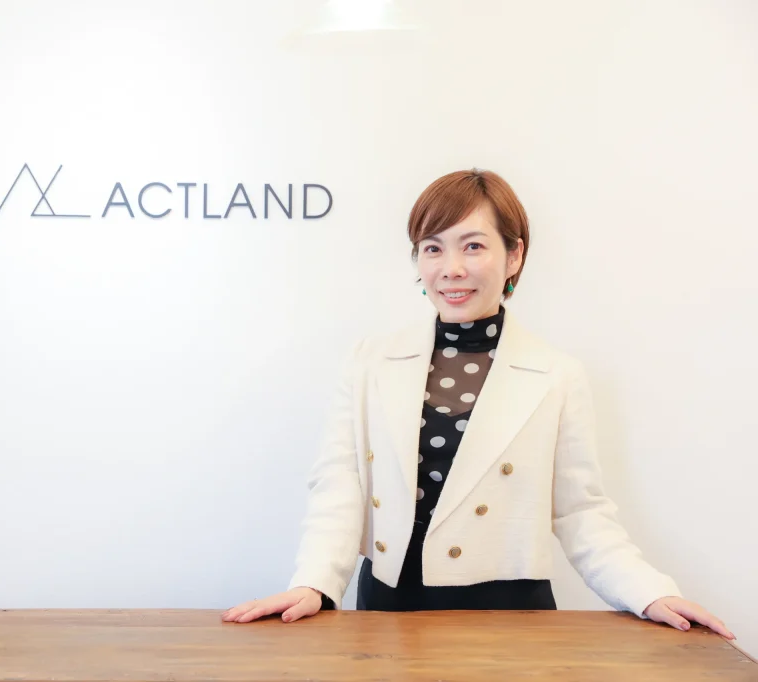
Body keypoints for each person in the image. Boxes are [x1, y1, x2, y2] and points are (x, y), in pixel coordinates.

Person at [221, 169, 734, 638]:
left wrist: (650, 593)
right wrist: (314, 583)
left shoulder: (557, 374)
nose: (451, 268)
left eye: (473, 246)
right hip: (389, 604)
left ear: (514, 255)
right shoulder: (370, 361)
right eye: (432, 248)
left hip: (507, 612)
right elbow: (340, 484)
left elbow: (581, 512)